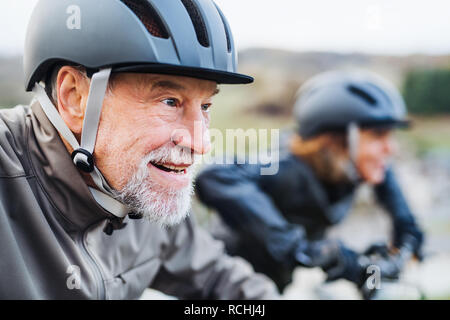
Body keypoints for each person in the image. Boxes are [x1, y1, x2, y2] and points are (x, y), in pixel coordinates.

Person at [0, 0, 279, 299]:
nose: (201, 144)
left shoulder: (141, 193)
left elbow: (219, 278)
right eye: (169, 101)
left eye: (206, 105)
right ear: (75, 97)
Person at [195, 70, 425, 292]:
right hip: (222, 283)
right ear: (338, 140)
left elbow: (405, 221)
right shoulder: (287, 166)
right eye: (378, 135)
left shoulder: (359, 166)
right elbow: (215, 175)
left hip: (276, 284)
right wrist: (301, 249)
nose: (391, 148)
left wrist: (406, 246)